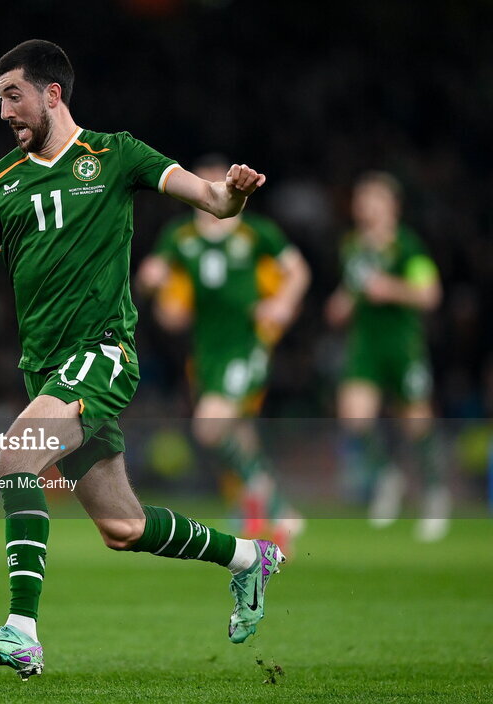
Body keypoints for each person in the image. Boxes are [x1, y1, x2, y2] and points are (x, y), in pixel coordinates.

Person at [0, 40, 285, 680]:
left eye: (13, 96)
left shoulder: (116, 154)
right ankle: (248, 558)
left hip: (102, 355)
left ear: (52, 94)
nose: (3, 113)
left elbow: (211, 200)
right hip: (45, 369)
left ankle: (22, 632)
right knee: (123, 527)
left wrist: (234, 193)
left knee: (14, 457)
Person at [135, 155, 310, 551]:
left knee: (209, 426)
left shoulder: (255, 232)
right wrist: (152, 286)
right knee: (239, 434)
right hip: (207, 353)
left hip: (247, 345)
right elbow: (158, 291)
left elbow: (299, 271)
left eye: (225, 184)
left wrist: (283, 302)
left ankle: (280, 508)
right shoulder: (180, 237)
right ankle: (261, 504)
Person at [325, 172, 448, 542]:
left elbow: (430, 294)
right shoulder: (353, 247)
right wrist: (342, 303)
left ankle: (434, 494)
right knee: (354, 416)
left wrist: (391, 289)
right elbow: (353, 289)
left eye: (373, 199)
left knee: (416, 424)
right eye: (362, 199)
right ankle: (387, 477)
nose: (365, 206)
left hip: (402, 345)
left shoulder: (406, 246)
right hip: (366, 345)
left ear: (392, 206)